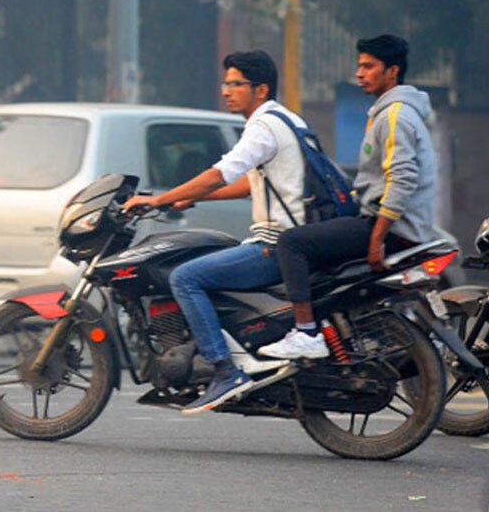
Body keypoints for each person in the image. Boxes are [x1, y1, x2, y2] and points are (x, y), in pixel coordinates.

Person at [123, 50, 311, 415]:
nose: (226, 91)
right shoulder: (286, 119)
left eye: (235, 84)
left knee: (186, 277)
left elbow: (220, 173)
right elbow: (246, 185)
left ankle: (224, 370)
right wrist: (184, 200)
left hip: (276, 244)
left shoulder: (263, 126)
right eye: (225, 83)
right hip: (293, 240)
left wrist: (160, 198)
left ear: (260, 89)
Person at [259, 34, 437, 359]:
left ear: (392, 71)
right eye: (359, 66)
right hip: (385, 223)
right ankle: (336, 330)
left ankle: (306, 332)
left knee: (292, 243)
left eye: (369, 66)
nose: (360, 73)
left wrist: (376, 239)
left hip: (392, 229)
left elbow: (402, 180)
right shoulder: (388, 112)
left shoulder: (396, 115)